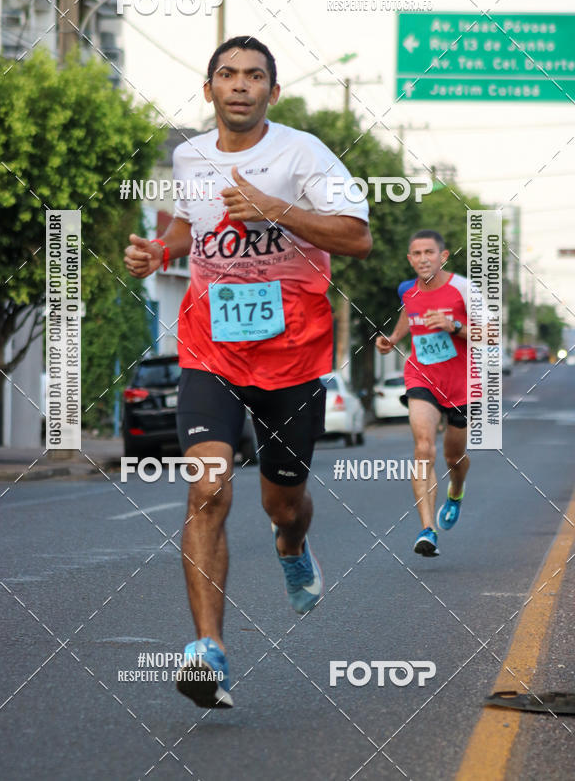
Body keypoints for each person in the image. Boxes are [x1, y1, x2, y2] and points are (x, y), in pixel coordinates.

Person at [124, 36, 371, 708]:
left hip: (293, 356)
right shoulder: (189, 156)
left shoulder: (304, 154)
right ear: (209, 90)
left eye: (254, 76)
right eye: (227, 75)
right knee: (207, 491)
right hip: (212, 352)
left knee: (281, 503)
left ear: (272, 91)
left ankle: (292, 546)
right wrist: (158, 250)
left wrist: (276, 209)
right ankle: (211, 652)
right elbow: (187, 228)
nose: (240, 85)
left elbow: (357, 237)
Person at [376, 230, 485, 558]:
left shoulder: (465, 289)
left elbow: (491, 334)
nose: (423, 258)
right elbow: (408, 312)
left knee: (454, 458)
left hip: (463, 384)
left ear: (444, 255)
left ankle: (456, 490)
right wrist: (394, 337)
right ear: (410, 259)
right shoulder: (406, 289)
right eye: (416, 253)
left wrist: (454, 326)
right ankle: (427, 529)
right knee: (423, 448)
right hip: (421, 376)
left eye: (429, 252)